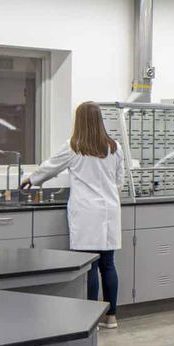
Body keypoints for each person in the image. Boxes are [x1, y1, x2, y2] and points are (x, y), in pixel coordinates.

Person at [25, 102, 126, 329]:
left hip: (86, 211)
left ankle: (90, 318)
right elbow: (119, 182)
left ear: (79, 121)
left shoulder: (74, 146)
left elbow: (50, 168)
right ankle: (112, 317)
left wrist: (31, 180)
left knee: (88, 264)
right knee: (108, 265)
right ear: (100, 119)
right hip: (110, 209)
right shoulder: (115, 147)